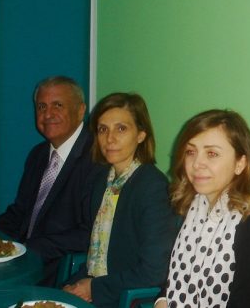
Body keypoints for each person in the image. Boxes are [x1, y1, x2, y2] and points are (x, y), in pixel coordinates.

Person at [155, 109, 250, 308]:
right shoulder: (197, 206)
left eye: (212, 154)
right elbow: (176, 278)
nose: (197, 164)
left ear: (240, 164)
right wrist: (161, 301)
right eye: (191, 152)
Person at [64, 93, 177, 308]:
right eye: (103, 129)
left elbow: (154, 272)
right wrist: (71, 287)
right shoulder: (102, 181)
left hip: (126, 299)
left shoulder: (153, 188)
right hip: (98, 287)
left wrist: (93, 288)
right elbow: (97, 257)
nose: (110, 138)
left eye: (121, 129)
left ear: (141, 135)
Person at [0, 76, 103, 286]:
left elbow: (90, 232)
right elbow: (19, 213)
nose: (48, 114)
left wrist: (27, 249)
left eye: (57, 105)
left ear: (80, 111)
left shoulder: (97, 159)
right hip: (22, 261)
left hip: (61, 271)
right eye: (41, 107)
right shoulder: (38, 155)